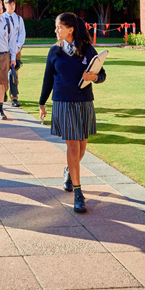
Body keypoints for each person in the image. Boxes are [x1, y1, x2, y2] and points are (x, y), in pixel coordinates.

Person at [38, 12, 106, 214]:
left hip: (84, 102)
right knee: (73, 146)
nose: (55, 30)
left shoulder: (87, 49)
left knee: (82, 145)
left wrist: (93, 76)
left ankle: (69, 171)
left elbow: (102, 75)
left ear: (70, 29)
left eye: (59, 27)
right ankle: (78, 193)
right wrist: (42, 102)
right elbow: (48, 78)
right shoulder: (54, 51)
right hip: (63, 103)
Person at [4, 0, 26, 107]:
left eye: (13, 4)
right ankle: (2, 93)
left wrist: (17, 46)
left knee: (14, 74)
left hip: (16, 50)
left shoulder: (18, 19)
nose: (12, 6)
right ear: (5, 5)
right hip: (3, 51)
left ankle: (14, 97)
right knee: (2, 73)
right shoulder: (1, 18)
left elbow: (22, 34)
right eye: (9, 4)